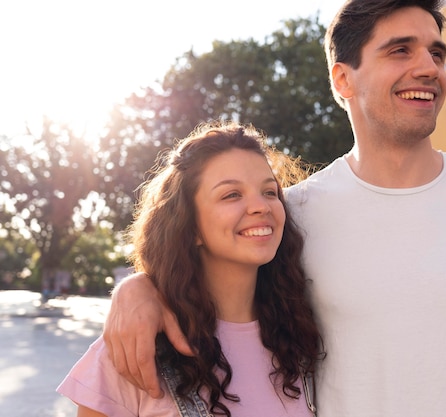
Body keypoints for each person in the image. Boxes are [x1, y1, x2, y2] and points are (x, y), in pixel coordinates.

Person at [102, 0, 446, 416]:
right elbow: (211, 285)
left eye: (436, 52)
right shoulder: (293, 214)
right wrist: (140, 288)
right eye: (400, 50)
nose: (429, 67)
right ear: (343, 78)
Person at [57, 121, 324, 416]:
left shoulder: (304, 337)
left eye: (270, 192)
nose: (261, 206)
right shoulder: (135, 348)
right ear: (190, 226)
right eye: (231, 195)